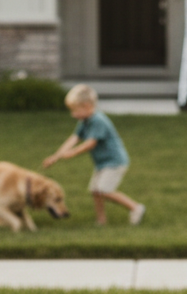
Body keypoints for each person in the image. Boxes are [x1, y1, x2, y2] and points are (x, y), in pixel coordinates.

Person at [42, 84, 145, 226]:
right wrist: (55, 157)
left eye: (75, 110)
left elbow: (91, 143)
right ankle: (101, 220)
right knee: (95, 192)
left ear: (86, 106)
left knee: (104, 190)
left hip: (114, 162)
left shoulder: (98, 121)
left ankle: (136, 208)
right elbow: (73, 139)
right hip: (102, 163)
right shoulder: (84, 121)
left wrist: (73, 153)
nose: (73, 115)